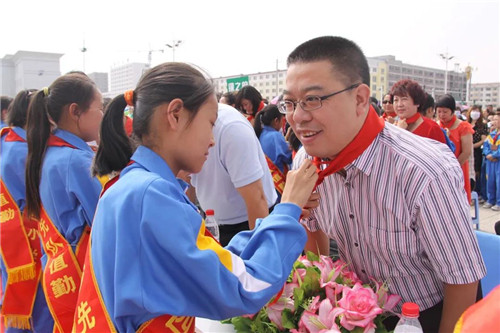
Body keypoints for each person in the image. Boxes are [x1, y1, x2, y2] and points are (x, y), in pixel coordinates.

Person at [73, 62, 318, 332]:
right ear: (176, 114)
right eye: (210, 124)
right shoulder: (152, 197)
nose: (212, 140)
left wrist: (279, 216)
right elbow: (244, 287)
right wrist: (288, 210)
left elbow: (212, 263)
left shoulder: (132, 186)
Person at [280, 36, 485, 333]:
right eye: (290, 103)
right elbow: (318, 254)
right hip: (357, 311)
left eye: (313, 99)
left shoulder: (423, 171)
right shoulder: (306, 163)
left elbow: (463, 278)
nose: (297, 117)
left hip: (425, 314)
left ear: (360, 99)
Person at [24, 72, 103, 333]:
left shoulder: (51, 152)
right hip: (81, 270)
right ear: (75, 111)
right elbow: (105, 218)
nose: (102, 116)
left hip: (60, 267)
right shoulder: (76, 161)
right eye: (99, 109)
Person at [0, 89, 54, 332]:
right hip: (25, 235)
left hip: (10, 231)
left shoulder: (9, 141)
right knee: (34, 302)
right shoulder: (22, 150)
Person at [191, 103, 278, 246]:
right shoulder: (179, 129)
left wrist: (259, 257)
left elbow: (256, 199)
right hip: (212, 222)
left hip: (251, 223)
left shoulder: (231, 129)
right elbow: (186, 183)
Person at [436, 94, 475, 202]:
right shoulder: (436, 126)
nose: (441, 115)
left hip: (459, 167)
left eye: (445, 112)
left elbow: (466, 152)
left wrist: (453, 168)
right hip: (440, 170)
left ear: (452, 111)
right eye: (439, 111)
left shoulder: (463, 126)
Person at [254, 104, 293, 199]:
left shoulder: (261, 134)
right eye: (282, 120)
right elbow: (289, 157)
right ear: (276, 121)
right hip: (277, 182)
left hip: (266, 181)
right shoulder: (275, 136)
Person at [391, 79, 447, 145]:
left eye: (404, 99)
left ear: (417, 102)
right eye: (396, 100)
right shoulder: (392, 128)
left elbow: (441, 154)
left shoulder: (431, 128)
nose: (399, 104)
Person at [467, 106, 488, 196]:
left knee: (476, 171)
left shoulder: (482, 125)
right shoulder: (466, 124)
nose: (475, 113)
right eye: (473, 111)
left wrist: (472, 146)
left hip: (476, 151)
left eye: (477, 111)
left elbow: (483, 140)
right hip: (466, 149)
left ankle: (476, 191)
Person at [482, 112, 500, 210]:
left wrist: (494, 155)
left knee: (499, 182)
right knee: (490, 181)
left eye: (497, 120)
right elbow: (485, 145)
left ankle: (499, 202)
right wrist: (488, 154)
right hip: (490, 162)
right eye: (494, 120)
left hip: (498, 161)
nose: (494, 122)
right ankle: (490, 200)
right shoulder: (491, 134)